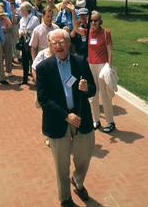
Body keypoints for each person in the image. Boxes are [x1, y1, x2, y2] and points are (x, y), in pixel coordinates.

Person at [36, 29, 96, 207]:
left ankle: (77, 179)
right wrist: (65, 115)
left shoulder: (80, 62)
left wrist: (87, 88)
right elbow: (43, 99)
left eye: (61, 42)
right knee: (61, 164)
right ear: (50, 46)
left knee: (84, 156)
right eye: (54, 43)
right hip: (57, 119)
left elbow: (93, 88)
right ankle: (65, 198)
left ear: (68, 43)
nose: (58, 45)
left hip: (81, 116)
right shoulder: (44, 68)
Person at [88, 11, 116, 133]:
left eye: (96, 20)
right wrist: (73, 12)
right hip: (91, 66)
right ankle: (96, 120)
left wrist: (109, 65)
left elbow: (109, 50)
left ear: (100, 21)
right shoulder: (87, 32)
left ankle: (110, 122)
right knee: (93, 95)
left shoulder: (106, 32)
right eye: (91, 20)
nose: (93, 22)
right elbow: (76, 28)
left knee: (104, 95)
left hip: (102, 66)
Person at [18, 1, 40, 85]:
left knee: (34, 61)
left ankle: (37, 79)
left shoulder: (34, 19)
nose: (21, 12)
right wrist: (20, 31)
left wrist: (25, 31)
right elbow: (20, 28)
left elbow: (36, 30)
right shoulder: (22, 19)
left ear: (27, 10)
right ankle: (25, 79)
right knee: (25, 61)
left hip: (32, 43)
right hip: (24, 42)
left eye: (22, 10)